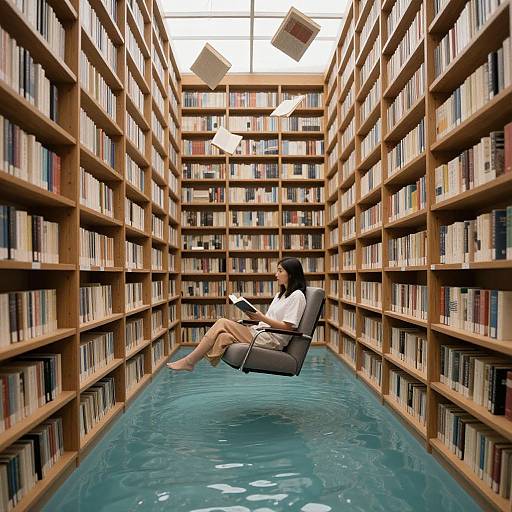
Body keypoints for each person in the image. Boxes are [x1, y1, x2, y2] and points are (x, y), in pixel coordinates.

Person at [167, 257, 307, 372]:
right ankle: (197, 360)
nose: (276, 274)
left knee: (222, 322)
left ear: (291, 274)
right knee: (223, 336)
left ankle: (189, 361)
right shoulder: (280, 295)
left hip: (271, 340)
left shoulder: (297, 296)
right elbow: (270, 320)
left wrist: (261, 318)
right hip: (261, 331)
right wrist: (254, 316)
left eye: (280, 271)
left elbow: (289, 328)